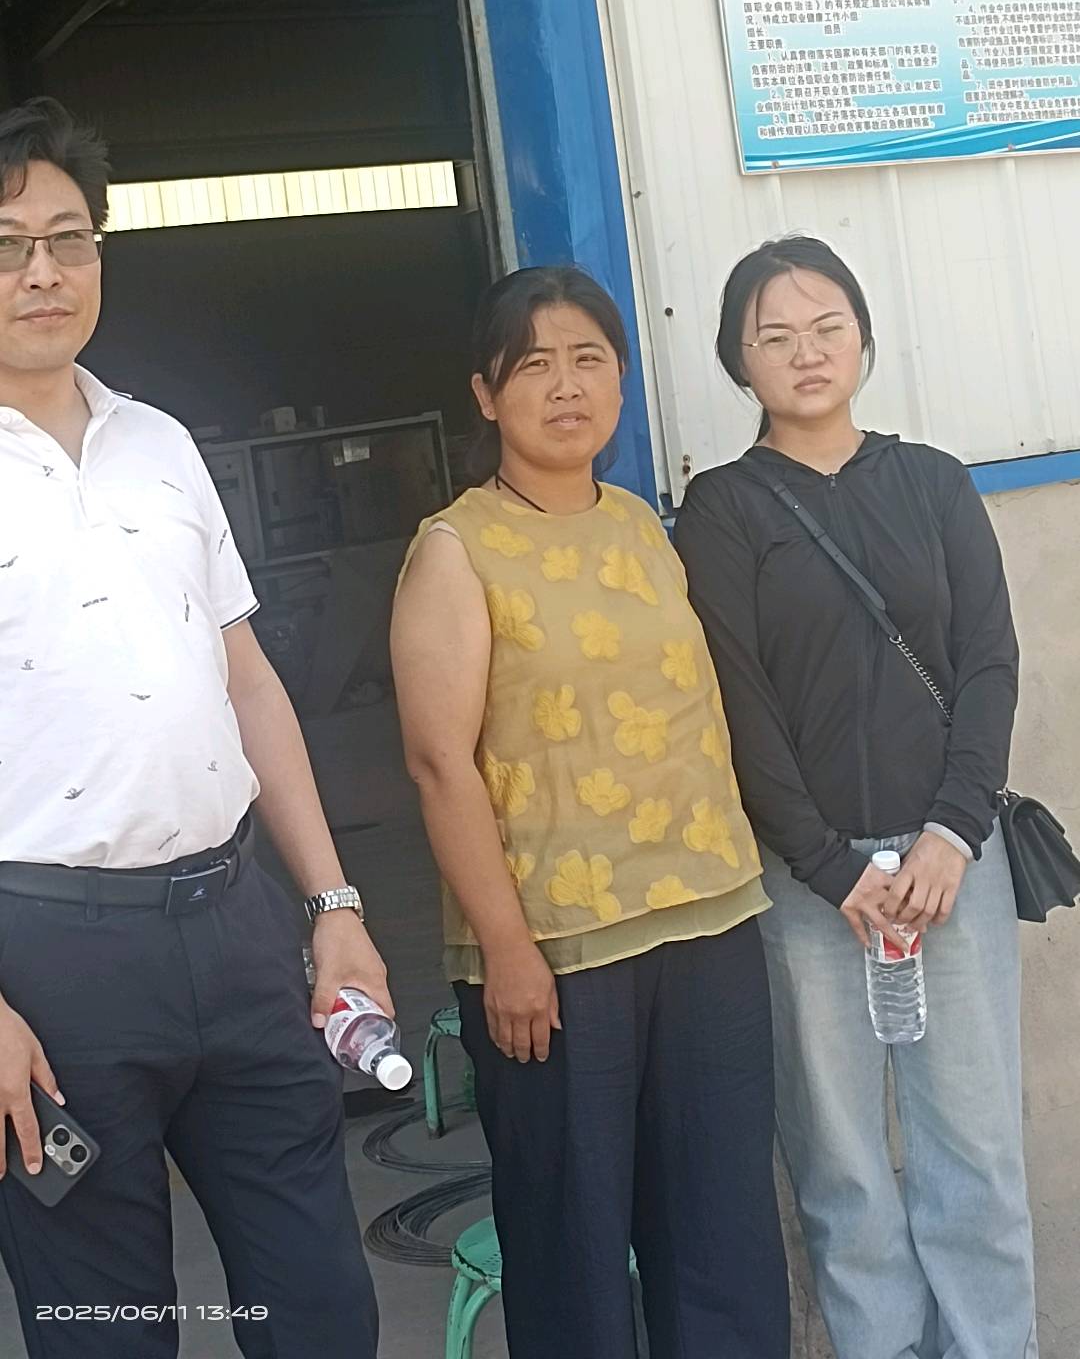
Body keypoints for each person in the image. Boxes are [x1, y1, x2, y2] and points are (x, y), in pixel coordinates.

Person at [0, 97, 388, 1358]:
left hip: (235, 929)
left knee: (318, 1307)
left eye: (68, 239)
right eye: (7, 245)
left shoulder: (161, 444)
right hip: (49, 960)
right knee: (105, 1327)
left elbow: (250, 683)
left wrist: (333, 905)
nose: (42, 272)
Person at [390, 263, 790, 1359]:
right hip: (557, 959)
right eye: (534, 366)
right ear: (486, 394)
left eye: (588, 360)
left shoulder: (645, 525)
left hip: (707, 921)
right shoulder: (457, 548)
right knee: (572, 1243)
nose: (566, 387)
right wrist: (508, 952)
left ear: (621, 379)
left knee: (722, 1233)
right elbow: (438, 763)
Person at [673, 234, 1038, 1359]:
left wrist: (953, 832)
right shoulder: (723, 508)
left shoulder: (934, 481)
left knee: (975, 1148)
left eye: (828, 327)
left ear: (866, 340)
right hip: (809, 889)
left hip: (949, 872)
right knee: (839, 1161)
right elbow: (737, 703)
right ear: (739, 362)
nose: (807, 352)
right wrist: (831, 866)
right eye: (775, 336)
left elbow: (988, 662)